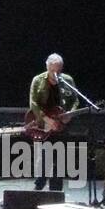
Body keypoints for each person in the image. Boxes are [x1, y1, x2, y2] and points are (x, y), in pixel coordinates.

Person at [28, 53, 79, 191]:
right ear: (47, 67)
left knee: (60, 158)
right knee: (44, 157)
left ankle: (56, 191)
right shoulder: (38, 80)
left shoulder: (67, 80)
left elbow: (75, 100)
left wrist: (70, 115)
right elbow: (33, 103)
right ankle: (38, 187)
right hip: (44, 123)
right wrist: (47, 120)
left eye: (58, 70)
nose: (55, 73)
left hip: (62, 125)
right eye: (53, 70)